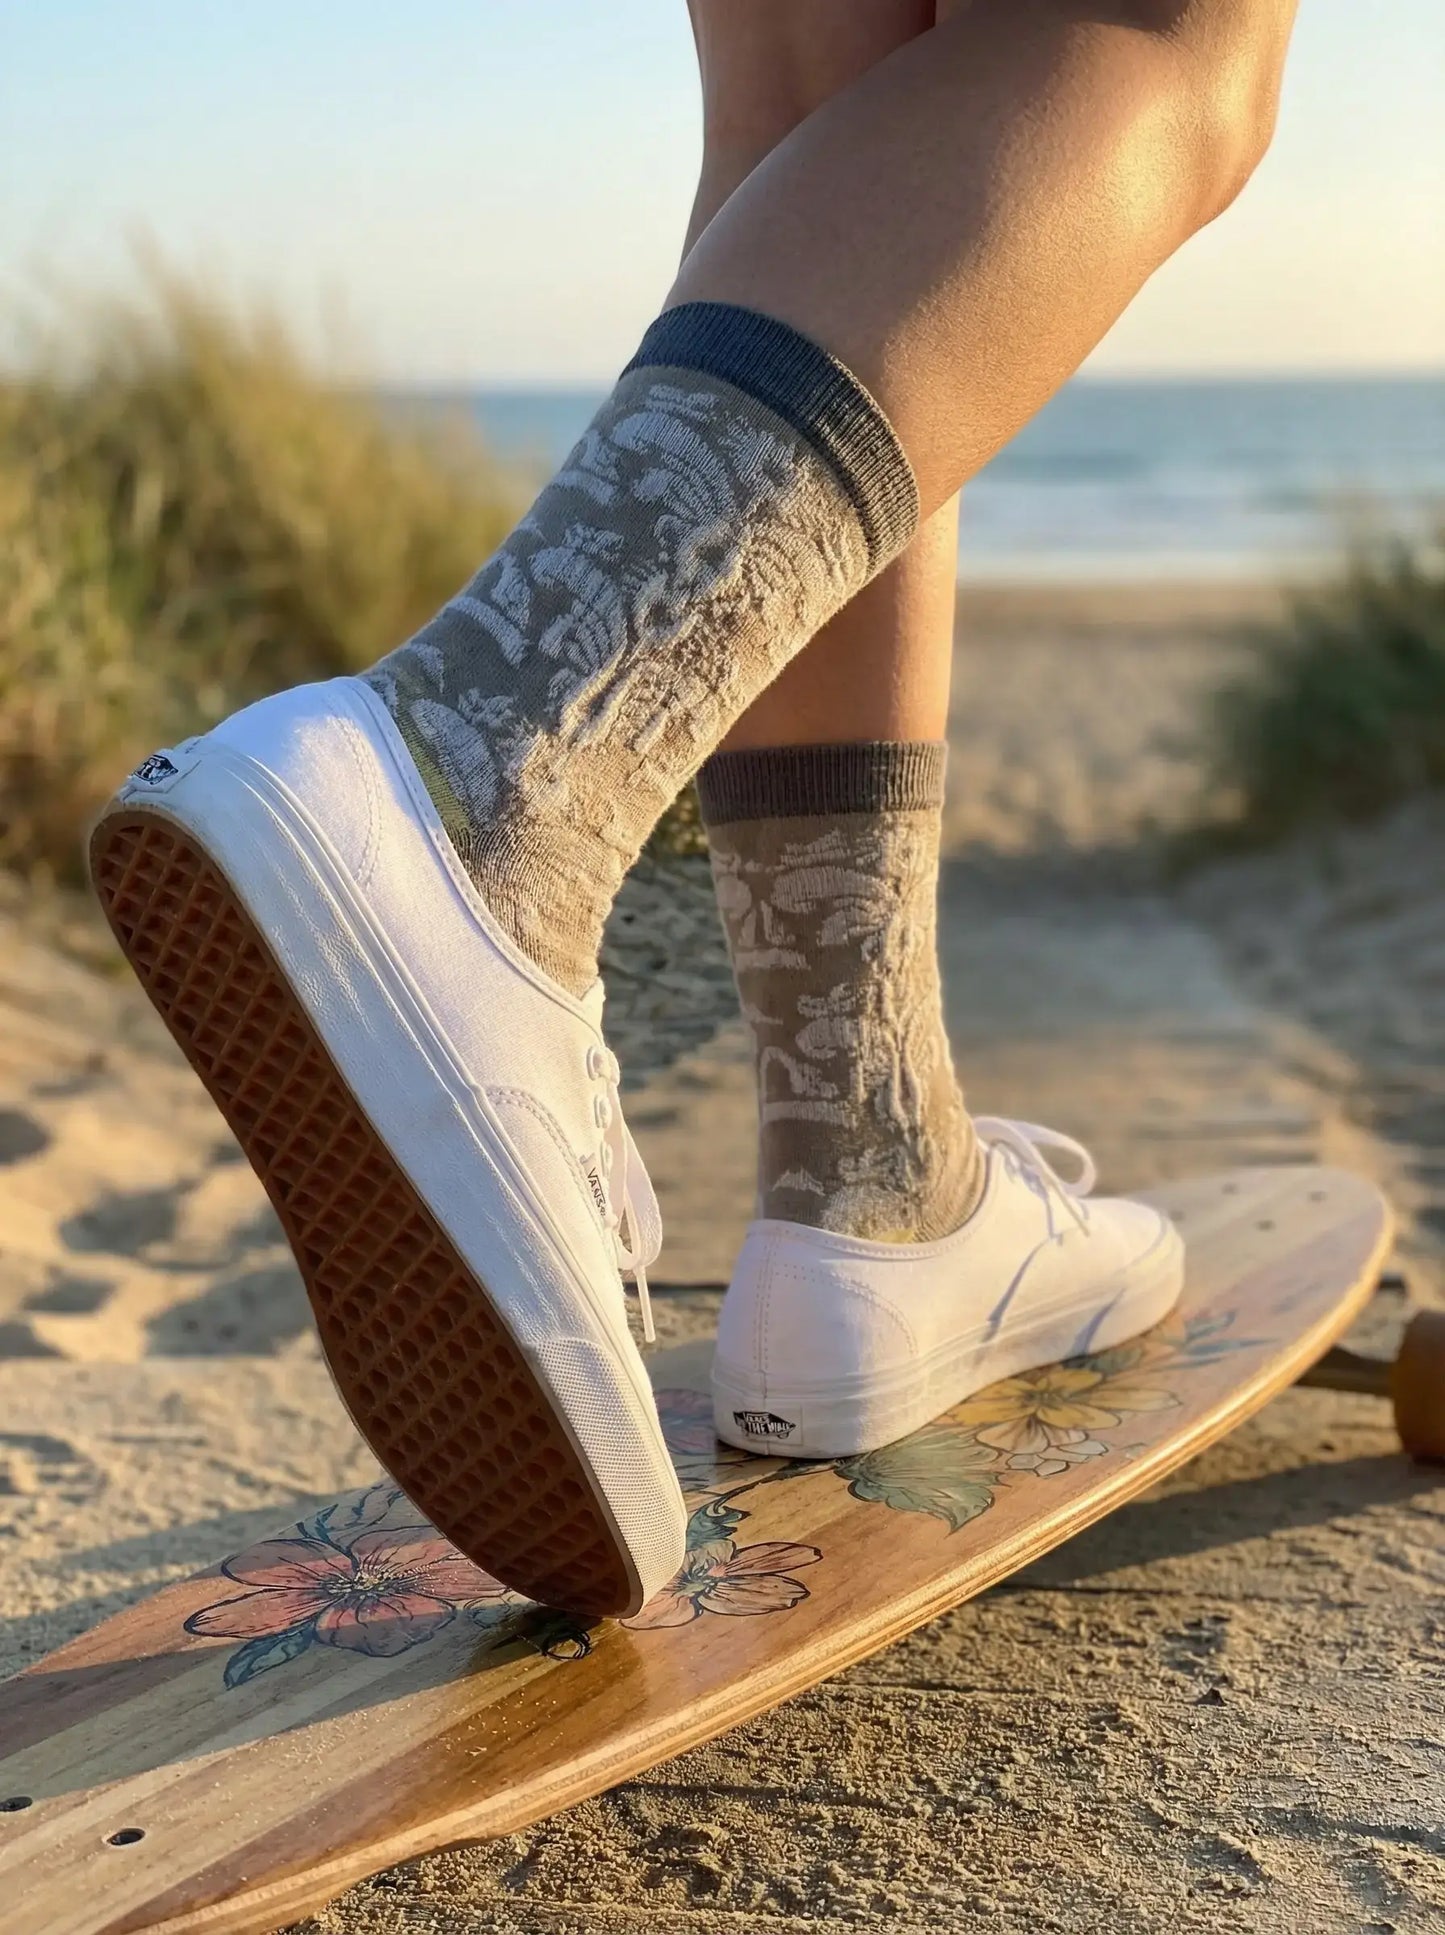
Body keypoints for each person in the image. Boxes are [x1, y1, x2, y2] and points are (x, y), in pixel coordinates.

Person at [90, 0, 1297, 1618]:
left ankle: (870, 1168)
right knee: (1156, 43)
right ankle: (484, 795)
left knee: (820, 88)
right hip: (477, 786)